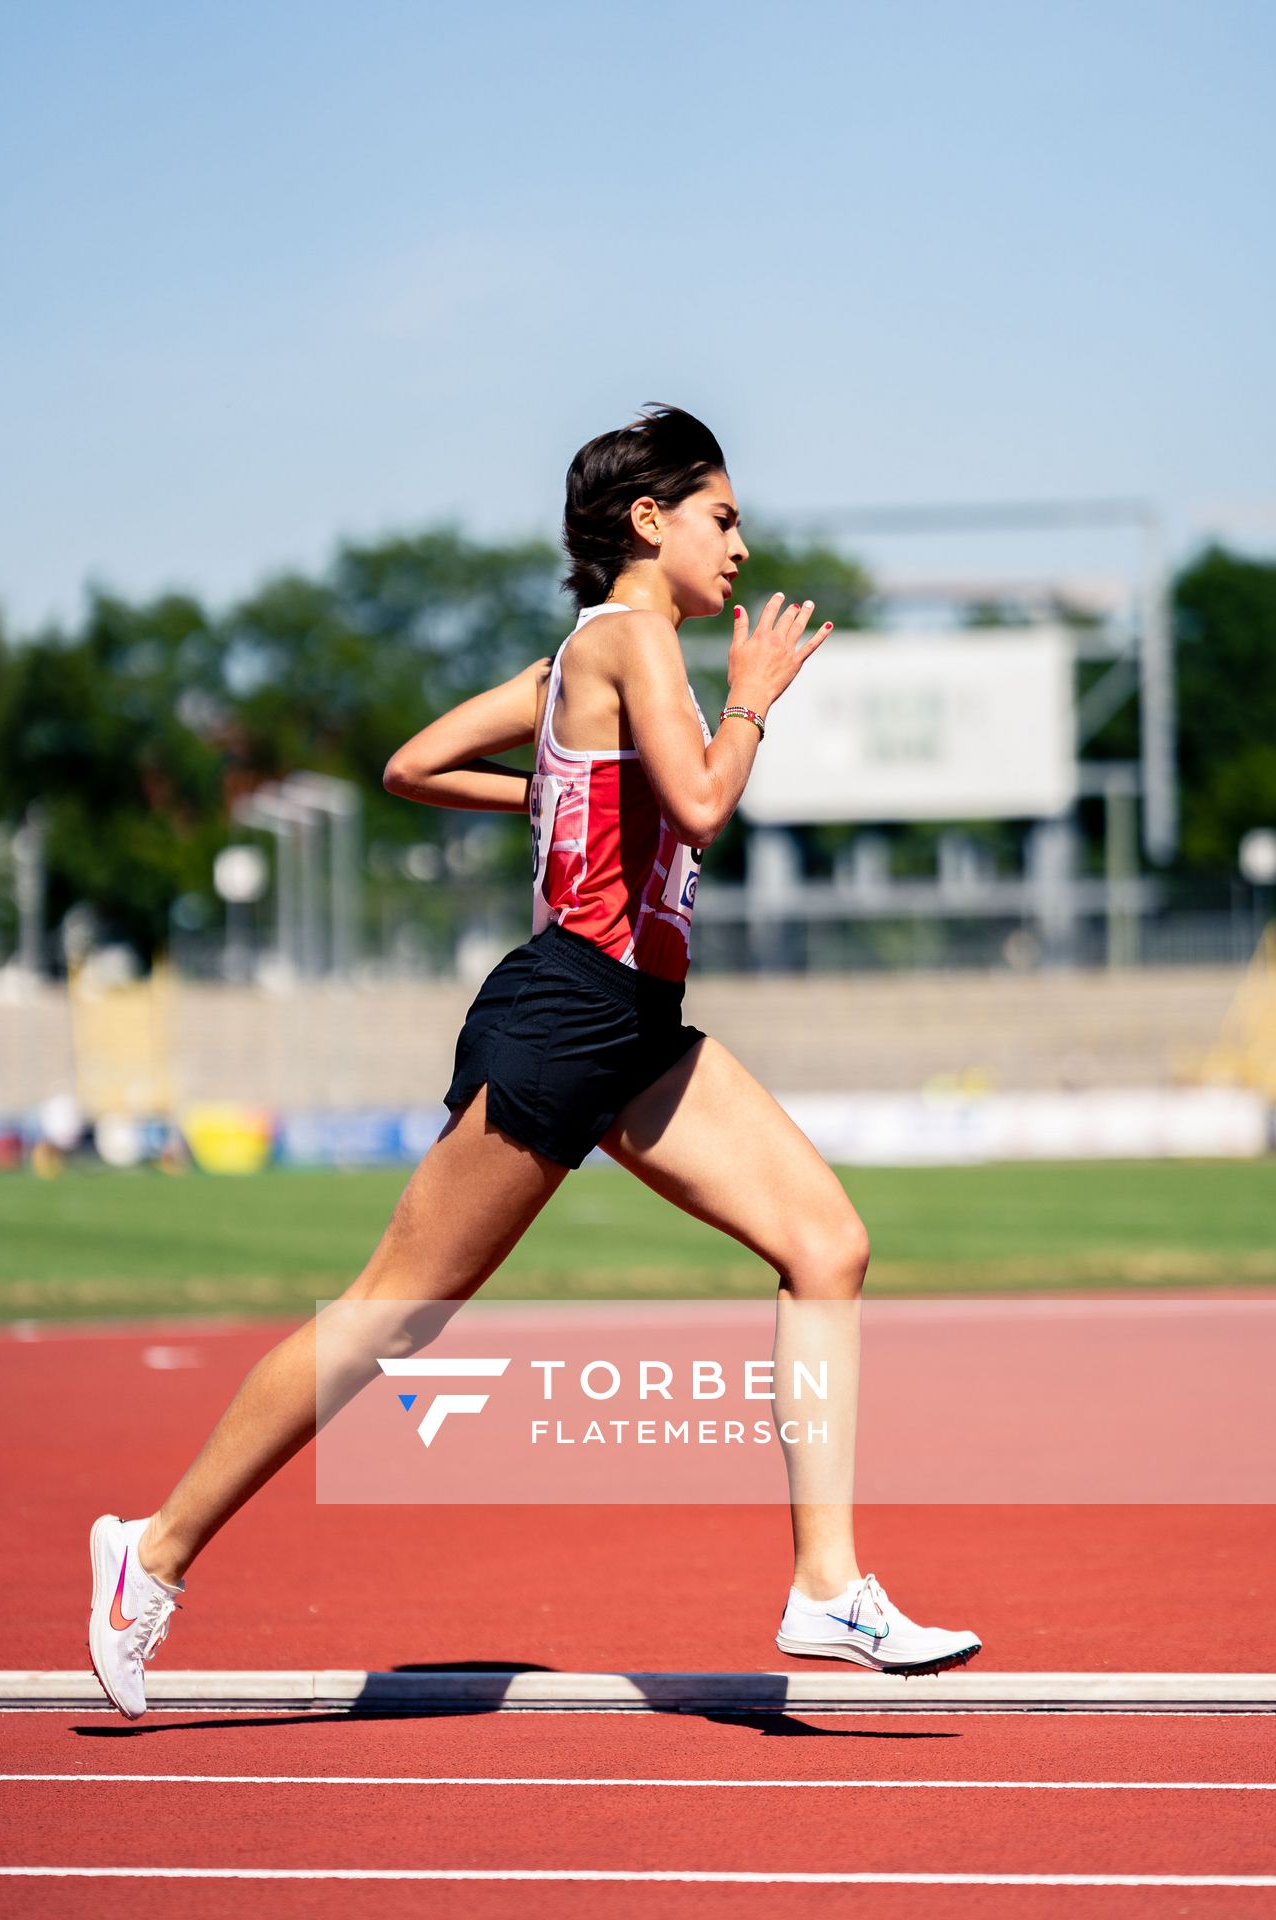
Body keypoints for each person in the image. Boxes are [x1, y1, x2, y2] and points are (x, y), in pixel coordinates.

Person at [87, 405, 980, 1719]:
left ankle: (827, 1586)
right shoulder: (632, 642)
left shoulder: (598, 652)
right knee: (392, 1315)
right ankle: (148, 1555)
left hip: (638, 1029)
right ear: (650, 520)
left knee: (824, 1245)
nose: (742, 545)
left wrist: (565, 791)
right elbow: (708, 805)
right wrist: (749, 704)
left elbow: (412, 765)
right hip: (570, 1014)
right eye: (723, 518)